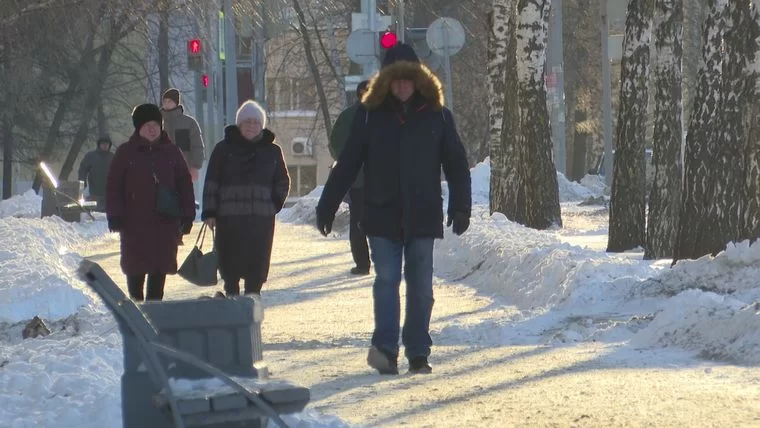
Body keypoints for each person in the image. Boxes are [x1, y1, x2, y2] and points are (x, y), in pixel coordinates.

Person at [316, 43, 472, 375]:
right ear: (386, 81)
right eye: (396, 80)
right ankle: (385, 350)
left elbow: (457, 163)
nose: (402, 86)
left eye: (408, 79)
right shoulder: (369, 115)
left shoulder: (437, 115)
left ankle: (418, 351)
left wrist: (462, 206)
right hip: (381, 213)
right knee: (386, 279)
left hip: (422, 213)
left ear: (419, 80)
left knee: (420, 286)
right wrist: (327, 205)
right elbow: (347, 164)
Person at [105, 103, 196, 301]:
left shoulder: (172, 152)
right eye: (148, 125)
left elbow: (184, 184)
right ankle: (137, 315)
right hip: (134, 225)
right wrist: (114, 215)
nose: (153, 129)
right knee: (135, 274)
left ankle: (154, 317)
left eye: (156, 124)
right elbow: (114, 187)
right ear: (139, 127)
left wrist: (188, 214)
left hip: (165, 225)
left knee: (158, 273)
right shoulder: (126, 153)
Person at [201, 100, 290, 297]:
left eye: (255, 122)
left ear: (262, 125)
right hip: (229, 219)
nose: (251, 125)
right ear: (239, 124)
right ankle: (232, 302)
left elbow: (282, 181)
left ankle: (252, 303)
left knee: (256, 265)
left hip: (260, 220)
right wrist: (210, 211)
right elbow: (212, 182)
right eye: (247, 121)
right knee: (230, 264)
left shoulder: (272, 151)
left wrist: (273, 203)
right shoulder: (223, 149)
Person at [329, 80, 371, 275]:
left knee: (359, 221)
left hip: (359, 181)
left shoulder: (347, 116)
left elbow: (335, 143)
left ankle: (363, 263)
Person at [161, 88, 205, 245]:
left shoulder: (188, 123)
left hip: (183, 169)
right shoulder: (159, 124)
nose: (166, 104)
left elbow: (197, 146)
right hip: (162, 171)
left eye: (169, 101)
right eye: (164, 101)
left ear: (176, 102)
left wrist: (195, 166)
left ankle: (180, 229)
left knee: (183, 200)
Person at [78, 135, 114, 212]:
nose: (105, 146)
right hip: (94, 188)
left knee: (106, 211)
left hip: (108, 189)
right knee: (96, 209)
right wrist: (82, 182)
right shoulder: (91, 156)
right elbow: (83, 169)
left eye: (107, 144)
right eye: (103, 144)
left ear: (109, 145)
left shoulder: (113, 157)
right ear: (99, 144)